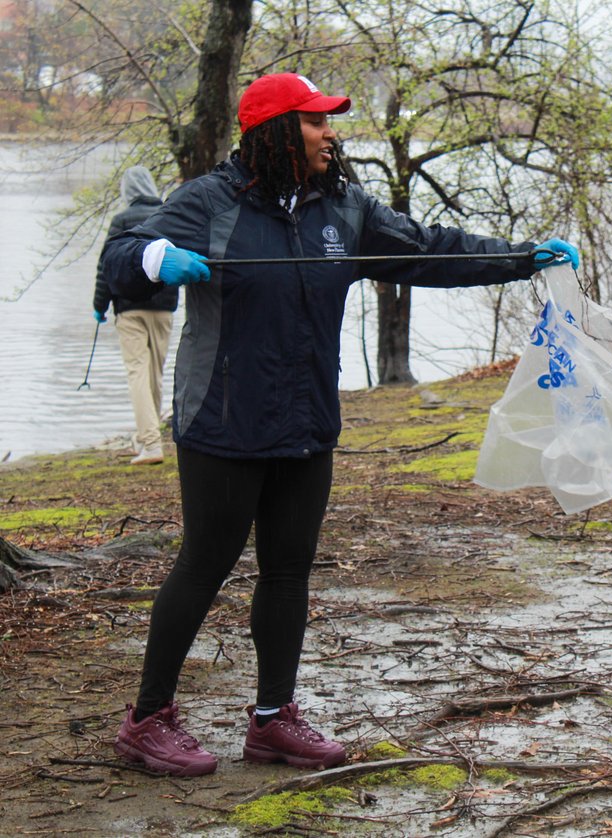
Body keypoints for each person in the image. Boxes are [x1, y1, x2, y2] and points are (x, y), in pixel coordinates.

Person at [100, 72, 580, 777]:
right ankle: (148, 721)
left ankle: (272, 721)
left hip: (306, 420)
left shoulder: (342, 209)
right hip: (223, 421)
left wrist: (520, 258)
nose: (332, 133)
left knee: (288, 570)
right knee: (205, 565)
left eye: (330, 122)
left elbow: (428, 249)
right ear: (275, 132)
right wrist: (153, 258)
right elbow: (119, 262)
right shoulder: (208, 201)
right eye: (317, 121)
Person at [93, 166, 178, 464]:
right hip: (165, 308)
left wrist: (99, 305)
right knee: (154, 375)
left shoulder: (122, 220)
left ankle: (152, 444)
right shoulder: (168, 215)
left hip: (130, 309)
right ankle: (147, 439)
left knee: (138, 374)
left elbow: (107, 266)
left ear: (128, 191)